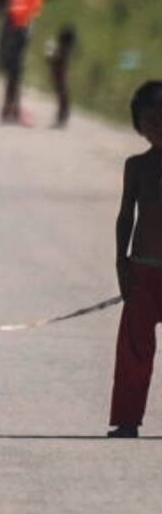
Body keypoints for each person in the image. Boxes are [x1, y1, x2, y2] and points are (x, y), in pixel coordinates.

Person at [107, 81, 162, 438]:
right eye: (150, 121)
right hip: (143, 271)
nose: (158, 127)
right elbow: (126, 216)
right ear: (138, 125)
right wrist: (121, 262)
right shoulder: (137, 167)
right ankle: (127, 420)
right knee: (133, 350)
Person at [47, 25, 77, 129]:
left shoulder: (63, 49)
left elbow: (52, 60)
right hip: (60, 76)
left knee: (62, 97)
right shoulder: (66, 49)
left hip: (60, 76)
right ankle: (62, 118)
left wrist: (50, 50)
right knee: (62, 98)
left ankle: (61, 118)